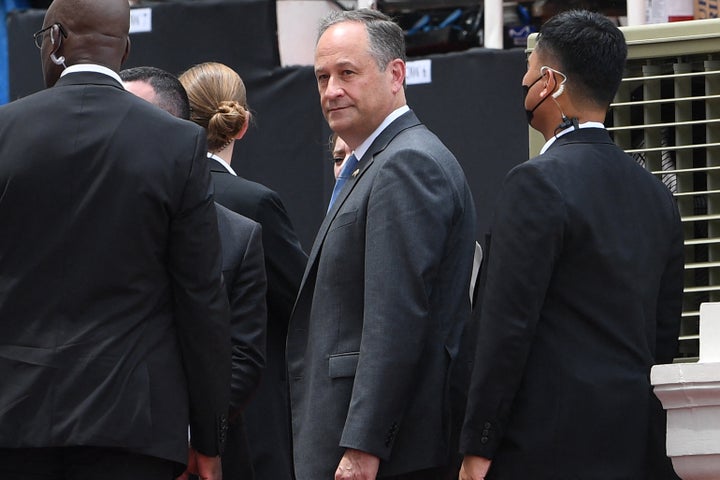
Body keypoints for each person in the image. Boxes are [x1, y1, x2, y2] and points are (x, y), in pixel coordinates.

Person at [0, 1, 230, 479]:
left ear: (57, 40)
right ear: (124, 50)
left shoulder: (4, 133)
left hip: (14, 421)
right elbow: (201, 300)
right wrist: (208, 437)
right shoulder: (178, 144)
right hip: (134, 429)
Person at [458, 10, 683, 480]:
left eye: (528, 71)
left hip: (544, 449)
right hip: (635, 446)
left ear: (550, 82)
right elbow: (663, 336)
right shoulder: (658, 197)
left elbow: (506, 326)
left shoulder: (536, 183)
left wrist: (478, 446)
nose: (522, 83)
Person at [286, 9, 477, 480]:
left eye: (347, 73)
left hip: (383, 457)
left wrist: (363, 447)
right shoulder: (382, 161)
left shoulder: (405, 163)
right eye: (322, 77)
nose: (331, 91)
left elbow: (395, 319)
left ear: (395, 74)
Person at [120, 65, 269, 480]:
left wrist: (191, 436)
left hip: (205, 456)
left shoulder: (239, 235)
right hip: (111, 448)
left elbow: (242, 357)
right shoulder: (90, 225)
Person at [179, 61, 308, 480]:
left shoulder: (162, 194)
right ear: (242, 124)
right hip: (252, 413)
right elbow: (304, 302)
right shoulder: (255, 203)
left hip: (170, 415)